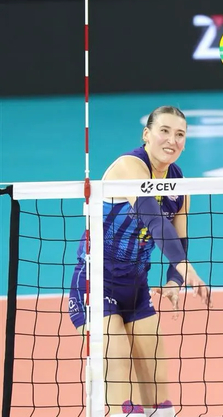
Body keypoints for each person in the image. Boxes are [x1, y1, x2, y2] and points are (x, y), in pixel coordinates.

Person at [67, 105, 212, 417]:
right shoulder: (129, 166)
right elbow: (154, 219)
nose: (172, 140)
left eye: (180, 134)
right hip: (95, 283)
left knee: (160, 398)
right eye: (164, 131)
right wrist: (186, 269)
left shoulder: (179, 184)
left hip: (135, 288)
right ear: (147, 134)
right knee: (119, 375)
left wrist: (174, 280)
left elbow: (179, 240)